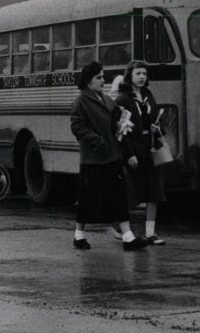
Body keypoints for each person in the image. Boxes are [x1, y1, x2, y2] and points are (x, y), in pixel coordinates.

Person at [69, 61, 146, 251]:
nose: (103, 80)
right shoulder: (81, 101)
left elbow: (116, 122)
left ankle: (128, 237)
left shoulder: (107, 99)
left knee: (118, 197)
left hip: (112, 156)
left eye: (103, 77)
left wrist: (123, 125)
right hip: (93, 159)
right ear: (88, 81)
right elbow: (77, 127)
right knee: (87, 199)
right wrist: (98, 141)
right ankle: (79, 235)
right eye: (99, 77)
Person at [115, 61, 166, 245]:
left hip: (150, 146)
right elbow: (120, 130)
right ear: (130, 75)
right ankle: (123, 230)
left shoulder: (148, 95)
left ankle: (150, 233)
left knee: (154, 191)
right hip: (134, 148)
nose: (142, 77)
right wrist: (129, 154)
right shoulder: (122, 99)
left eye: (144, 73)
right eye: (138, 73)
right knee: (131, 192)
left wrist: (155, 126)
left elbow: (155, 119)